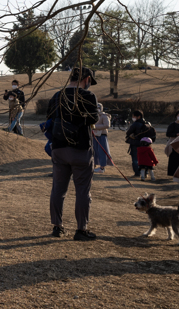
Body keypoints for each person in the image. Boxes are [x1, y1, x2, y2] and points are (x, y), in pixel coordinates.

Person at [47, 67, 100, 241]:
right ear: (86, 78)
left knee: (58, 189)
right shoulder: (88, 96)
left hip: (59, 147)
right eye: (90, 81)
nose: (89, 84)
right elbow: (93, 118)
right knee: (83, 191)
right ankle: (81, 229)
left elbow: (49, 117)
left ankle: (57, 226)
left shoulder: (57, 95)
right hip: (81, 148)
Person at [125, 110, 156, 177]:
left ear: (138, 116)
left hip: (136, 144)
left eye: (133, 116)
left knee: (135, 159)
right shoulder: (148, 123)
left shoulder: (135, 124)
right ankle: (146, 173)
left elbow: (128, 133)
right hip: (146, 145)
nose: (133, 118)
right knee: (146, 159)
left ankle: (137, 173)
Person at [91, 103, 113, 173]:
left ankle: (102, 167)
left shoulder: (104, 115)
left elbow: (107, 125)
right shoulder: (93, 115)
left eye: (99, 107)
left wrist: (95, 127)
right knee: (94, 151)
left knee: (102, 151)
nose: (97, 108)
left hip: (101, 136)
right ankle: (93, 165)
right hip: (94, 135)